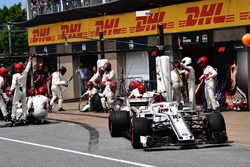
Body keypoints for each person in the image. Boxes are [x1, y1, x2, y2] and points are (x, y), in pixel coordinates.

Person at [10, 55, 32, 125]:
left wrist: (11, 90)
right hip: (24, 91)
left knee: (14, 104)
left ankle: (13, 117)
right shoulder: (24, 73)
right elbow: (28, 67)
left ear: (16, 69)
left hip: (18, 91)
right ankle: (24, 118)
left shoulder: (15, 75)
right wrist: (30, 60)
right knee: (24, 105)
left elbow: (13, 84)